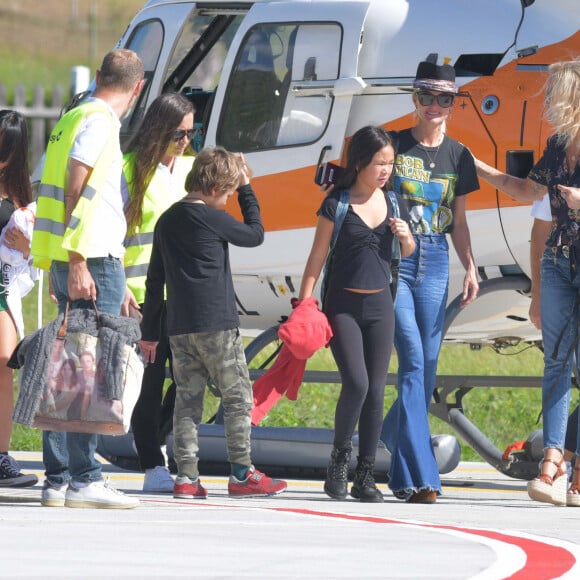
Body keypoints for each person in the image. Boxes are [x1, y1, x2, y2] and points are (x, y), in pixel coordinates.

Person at [31, 48, 144, 509]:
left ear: (99, 76)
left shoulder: (71, 117)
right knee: (89, 366)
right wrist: (78, 259)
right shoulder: (100, 121)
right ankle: (84, 476)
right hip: (90, 254)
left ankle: (59, 476)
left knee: (69, 363)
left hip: (72, 253)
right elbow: (77, 186)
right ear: (137, 88)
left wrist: (64, 259)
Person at [140, 147, 288, 499]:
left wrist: (150, 332)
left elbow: (154, 280)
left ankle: (187, 478)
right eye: (229, 191)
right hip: (216, 326)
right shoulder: (211, 217)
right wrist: (249, 187)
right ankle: (241, 474)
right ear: (214, 187)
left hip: (179, 328)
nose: (229, 198)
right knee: (238, 398)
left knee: (187, 403)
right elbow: (255, 234)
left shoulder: (167, 219)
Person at [473, 58, 580, 506]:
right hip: (558, 263)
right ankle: (552, 461)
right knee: (555, 363)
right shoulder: (557, 146)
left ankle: (572, 467)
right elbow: (526, 192)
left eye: (557, 95)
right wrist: (474, 165)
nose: (550, 104)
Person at [380, 61, 480, 504]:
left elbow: (458, 221)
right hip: (396, 261)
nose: (435, 106)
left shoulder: (459, 155)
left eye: (445, 98)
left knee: (429, 367)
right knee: (415, 363)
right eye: (427, 96)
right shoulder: (393, 145)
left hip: (437, 259)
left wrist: (471, 266)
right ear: (414, 99)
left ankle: (390, 432)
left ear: (453, 104)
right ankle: (418, 478)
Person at [298, 126, 415, 502]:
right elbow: (317, 257)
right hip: (343, 306)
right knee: (358, 384)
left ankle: (365, 476)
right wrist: (304, 303)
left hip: (381, 306)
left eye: (391, 163)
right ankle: (338, 464)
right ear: (361, 162)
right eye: (379, 162)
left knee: (378, 390)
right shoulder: (337, 203)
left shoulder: (395, 203)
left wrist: (405, 237)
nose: (386, 170)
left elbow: (408, 253)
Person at [122, 92, 195, 492]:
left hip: (183, 295)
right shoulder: (131, 170)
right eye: (178, 134)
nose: (185, 141)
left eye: (190, 132)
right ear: (158, 130)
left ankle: (160, 441)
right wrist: (117, 286)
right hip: (140, 295)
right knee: (149, 383)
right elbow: (112, 232)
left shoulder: (189, 170)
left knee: (189, 379)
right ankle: (151, 460)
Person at [0, 109, 38, 488]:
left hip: (3, 289)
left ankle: (1, 456)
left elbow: (36, 256)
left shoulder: (19, 195)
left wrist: (28, 248)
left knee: (4, 365)